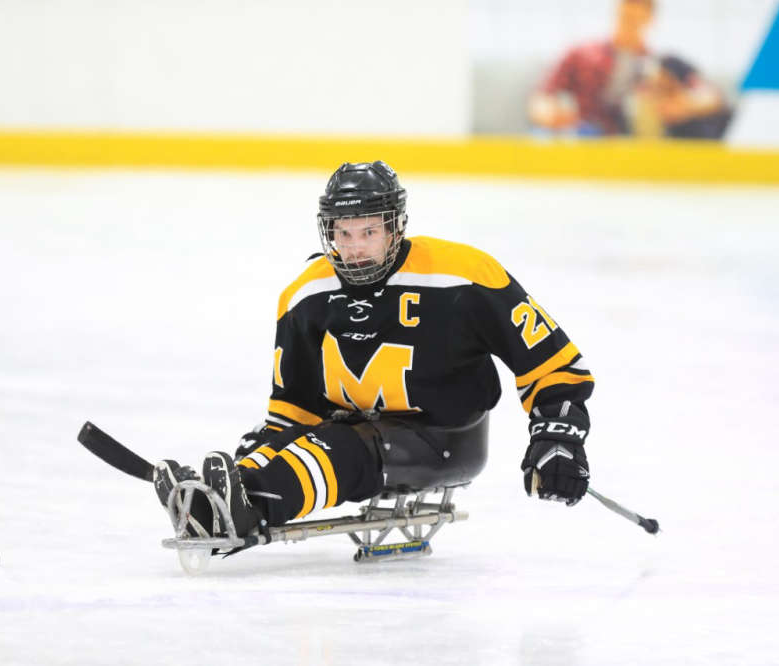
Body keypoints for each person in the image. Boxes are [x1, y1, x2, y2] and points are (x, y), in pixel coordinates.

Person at [153, 161, 595, 542]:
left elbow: (551, 362)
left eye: (368, 231)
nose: (355, 247)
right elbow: (296, 409)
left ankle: (247, 508)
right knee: (304, 443)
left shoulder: (464, 275)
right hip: (357, 429)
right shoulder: (305, 294)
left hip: (446, 436)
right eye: (343, 233)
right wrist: (258, 458)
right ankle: (217, 503)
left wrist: (557, 437)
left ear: (395, 226)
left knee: (339, 445)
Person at [528, 0, 655, 136]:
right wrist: (548, 114)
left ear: (649, 20)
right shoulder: (581, 54)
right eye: (625, 18)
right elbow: (542, 98)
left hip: (625, 143)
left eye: (635, 21)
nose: (628, 26)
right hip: (577, 135)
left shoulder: (655, 68)